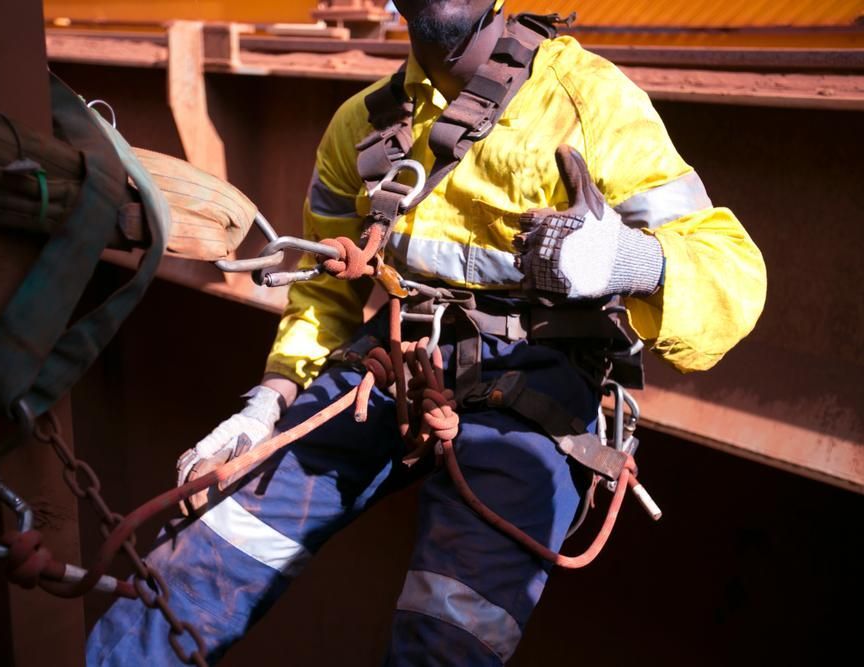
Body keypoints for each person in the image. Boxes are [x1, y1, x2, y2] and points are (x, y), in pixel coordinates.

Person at [87, 1, 766, 664]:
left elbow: (732, 275)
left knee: (448, 639)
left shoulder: (586, 103)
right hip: (393, 363)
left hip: (534, 394)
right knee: (205, 556)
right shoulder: (362, 126)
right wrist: (267, 401)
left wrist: (630, 260)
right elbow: (325, 288)